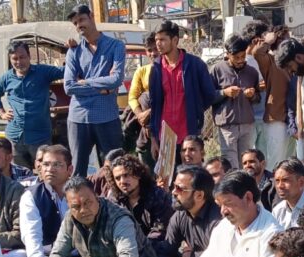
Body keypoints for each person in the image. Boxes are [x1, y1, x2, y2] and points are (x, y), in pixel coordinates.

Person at [64, 5, 126, 176]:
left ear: (92, 16)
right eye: (75, 23)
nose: (79, 25)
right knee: (77, 171)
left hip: (107, 116)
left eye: (81, 20)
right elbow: (69, 86)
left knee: (116, 170)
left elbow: (116, 79)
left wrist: (84, 82)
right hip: (78, 118)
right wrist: (103, 88)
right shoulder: (74, 51)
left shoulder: (115, 46)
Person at [0, 41, 65, 168]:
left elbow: (66, 71)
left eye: (22, 57)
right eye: (15, 59)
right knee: (19, 173)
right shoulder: (6, 78)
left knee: (45, 171)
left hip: (40, 137)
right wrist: (2, 113)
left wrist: (73, 50)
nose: (19, 62)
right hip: (15, 138)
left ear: (29, 56)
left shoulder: (43, 72)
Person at [149, 20, 217, 159]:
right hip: (165, 136)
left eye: (162, 39)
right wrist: (154, 138)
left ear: (175, 40)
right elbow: (154, 105)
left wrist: (195, 110)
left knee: (191, 171)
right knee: (168, 173)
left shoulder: (195, 65)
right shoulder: (156, 68)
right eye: (156, 40)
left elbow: (209, 94)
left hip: (189, 133)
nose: (158, 44)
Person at [149, 166, 221, 257]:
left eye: (180, 188)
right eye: (174, 186)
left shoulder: (218, 221)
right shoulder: (180, 216)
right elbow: (167, 250)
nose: (173, 192)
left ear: (199, 195)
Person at [22, 145, 72, 257]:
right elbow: (32, 236)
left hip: (81, 256)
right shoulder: (31, 196)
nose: (50, 169)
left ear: (70, 169)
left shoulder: (81, 191)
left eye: (57, 164)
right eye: (46, 164)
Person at [245, 20, 293, 168]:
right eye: (284, 39)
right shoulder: (270, 61)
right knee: (275, 162)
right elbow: (257, 52)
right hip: (276, 117)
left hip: (293, 119)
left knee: (290, 161)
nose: (287, 43)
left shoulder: (293, 64)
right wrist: (268, 40)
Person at [210, 35, 260, 167]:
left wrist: (252, 95)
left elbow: (257, 98)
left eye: (243, 56)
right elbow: (208, 96)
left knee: (246, 163)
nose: (240, 60)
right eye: (236, 57)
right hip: (227, 127)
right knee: (230, 163)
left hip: (247, 125)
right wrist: (224, 93)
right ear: (228, 54)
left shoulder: (252, 72)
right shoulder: (217, 70)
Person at [107, 154, 173, 246]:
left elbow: (160, 232)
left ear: (138, 174)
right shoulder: (114, 200)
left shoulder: (158, 195)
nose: (122, 181)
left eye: (126, 175)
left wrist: (138, 247)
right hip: (125, 247)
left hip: (156, 247)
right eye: (117, 178)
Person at [125, 33, 158, 166]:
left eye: (156, 49)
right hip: (145, 125)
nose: (153, 53)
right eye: (150, 50)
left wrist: (150, 112)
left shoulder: (169, 70)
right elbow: (132, 97)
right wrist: (141, 116)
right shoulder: (142, 71)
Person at [271, 158, 304, 228]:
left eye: (285, 180)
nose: (280, 186)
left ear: (301, 182)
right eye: (277, 181)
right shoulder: (278, 211)